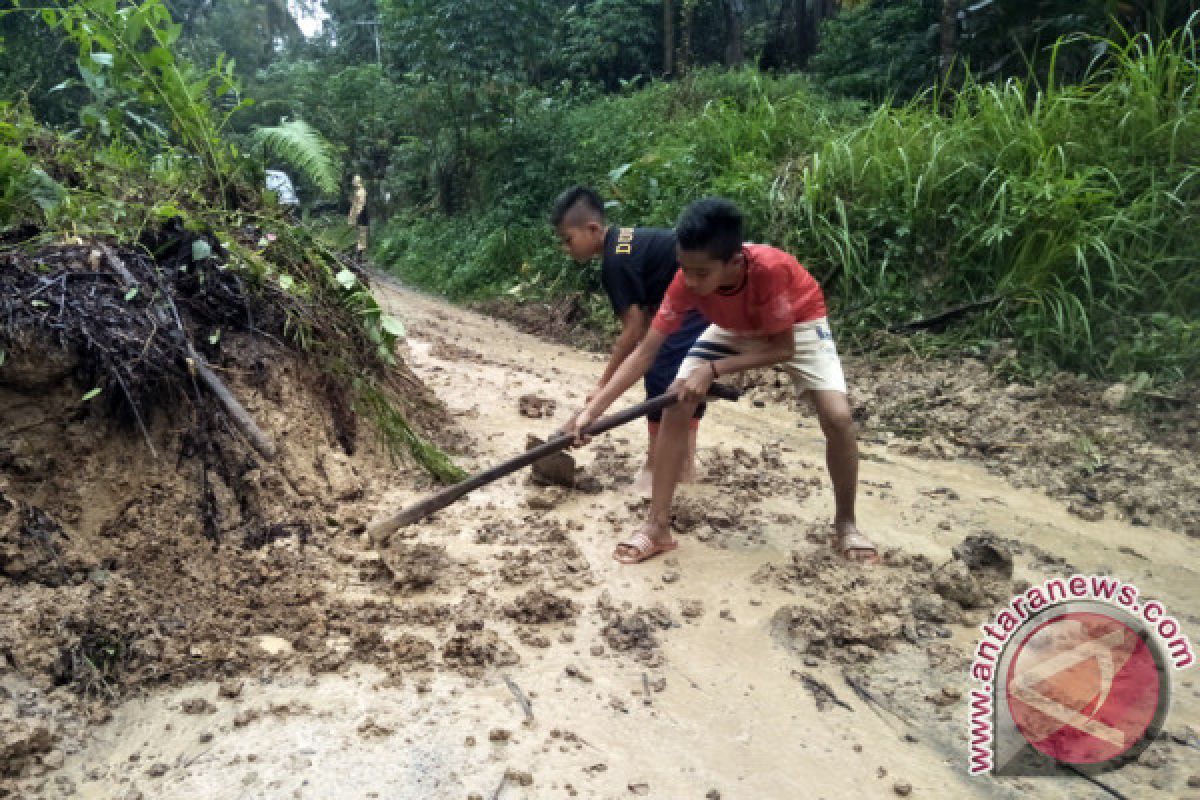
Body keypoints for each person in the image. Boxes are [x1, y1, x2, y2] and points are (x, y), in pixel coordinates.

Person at [565, 197, 877, 565]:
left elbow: (782, 349)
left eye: (702, 274)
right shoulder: (686, 279)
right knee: (675, 400)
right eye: (685, 269)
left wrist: (713, 370)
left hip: (796, 327)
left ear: (734, 261)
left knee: (838, 417)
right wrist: (592, 411)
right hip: (732, 326)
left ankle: (846, 523)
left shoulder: (769, 272)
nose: (691, 282)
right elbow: (645, 351)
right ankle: (657, 527)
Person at [551, 186, 709, 491]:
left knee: (662, 376)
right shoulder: (625, 242)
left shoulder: (615, 263)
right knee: (682, 377)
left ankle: (656, 466)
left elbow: (633, 331)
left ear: (593, 229)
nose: (566, 249)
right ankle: (685, 466)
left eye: (568, 240)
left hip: (699, 299)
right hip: (700, 299)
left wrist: (602, 386)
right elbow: (650, 317)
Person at [348, 174, 369, 262]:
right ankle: (355, 255)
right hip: (358, 215)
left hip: (361, 215)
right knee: (359, 235)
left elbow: (360, 205)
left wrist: (357, 216)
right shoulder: (358, 192)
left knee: (361, 235)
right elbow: (355, 205)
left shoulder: (361, 192)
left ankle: (358, 256)